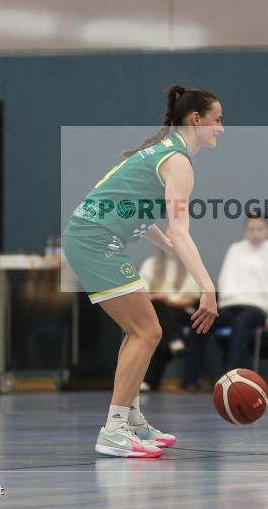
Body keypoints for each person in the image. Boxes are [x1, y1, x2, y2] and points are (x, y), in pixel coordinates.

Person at [62, 85, 222, 458]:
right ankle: (114, 429)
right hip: (94, 241)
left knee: (138, 330)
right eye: (218, 120)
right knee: (148, 330)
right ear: (196, 119)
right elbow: (181, 232)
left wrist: (168, 246)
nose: (221, 128)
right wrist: (207, 286)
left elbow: (131, 208)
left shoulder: (161, 153)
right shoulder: (179, 162)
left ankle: (131, 419)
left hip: (91, 236)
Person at [182, 212, 268, 389]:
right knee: (201, 320)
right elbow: (224, 278)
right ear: (246, 231)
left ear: (267, 230)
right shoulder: (235, 248)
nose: (255, 233)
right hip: (230, 304)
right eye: (251, 229)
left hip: (256, 308)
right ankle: (190, 380)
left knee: (242, 322)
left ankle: (230, 382)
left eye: (259, 229)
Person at [138, 247, 201, 391]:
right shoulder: (150, 264)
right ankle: (175, 341)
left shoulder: (189, 265)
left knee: (158, 328)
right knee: (158, 313)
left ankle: (149, 381)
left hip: (181, 311)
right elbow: (141, 295)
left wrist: (169, 300)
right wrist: (158, 298)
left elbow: (191, 298)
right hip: (155, 310)